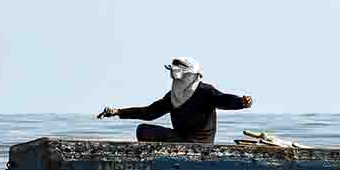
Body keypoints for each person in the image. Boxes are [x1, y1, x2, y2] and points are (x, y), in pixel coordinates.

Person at [97, 57, 253, 144]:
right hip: (180, 140)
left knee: (146, 131)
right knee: (143, 130)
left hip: (200, 144)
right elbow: (149, 112)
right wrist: (119, 112)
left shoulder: (205, 91)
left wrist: (241, 102)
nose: (176, 79)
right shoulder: (172, 96)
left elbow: (223, 99)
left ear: (191, 76)